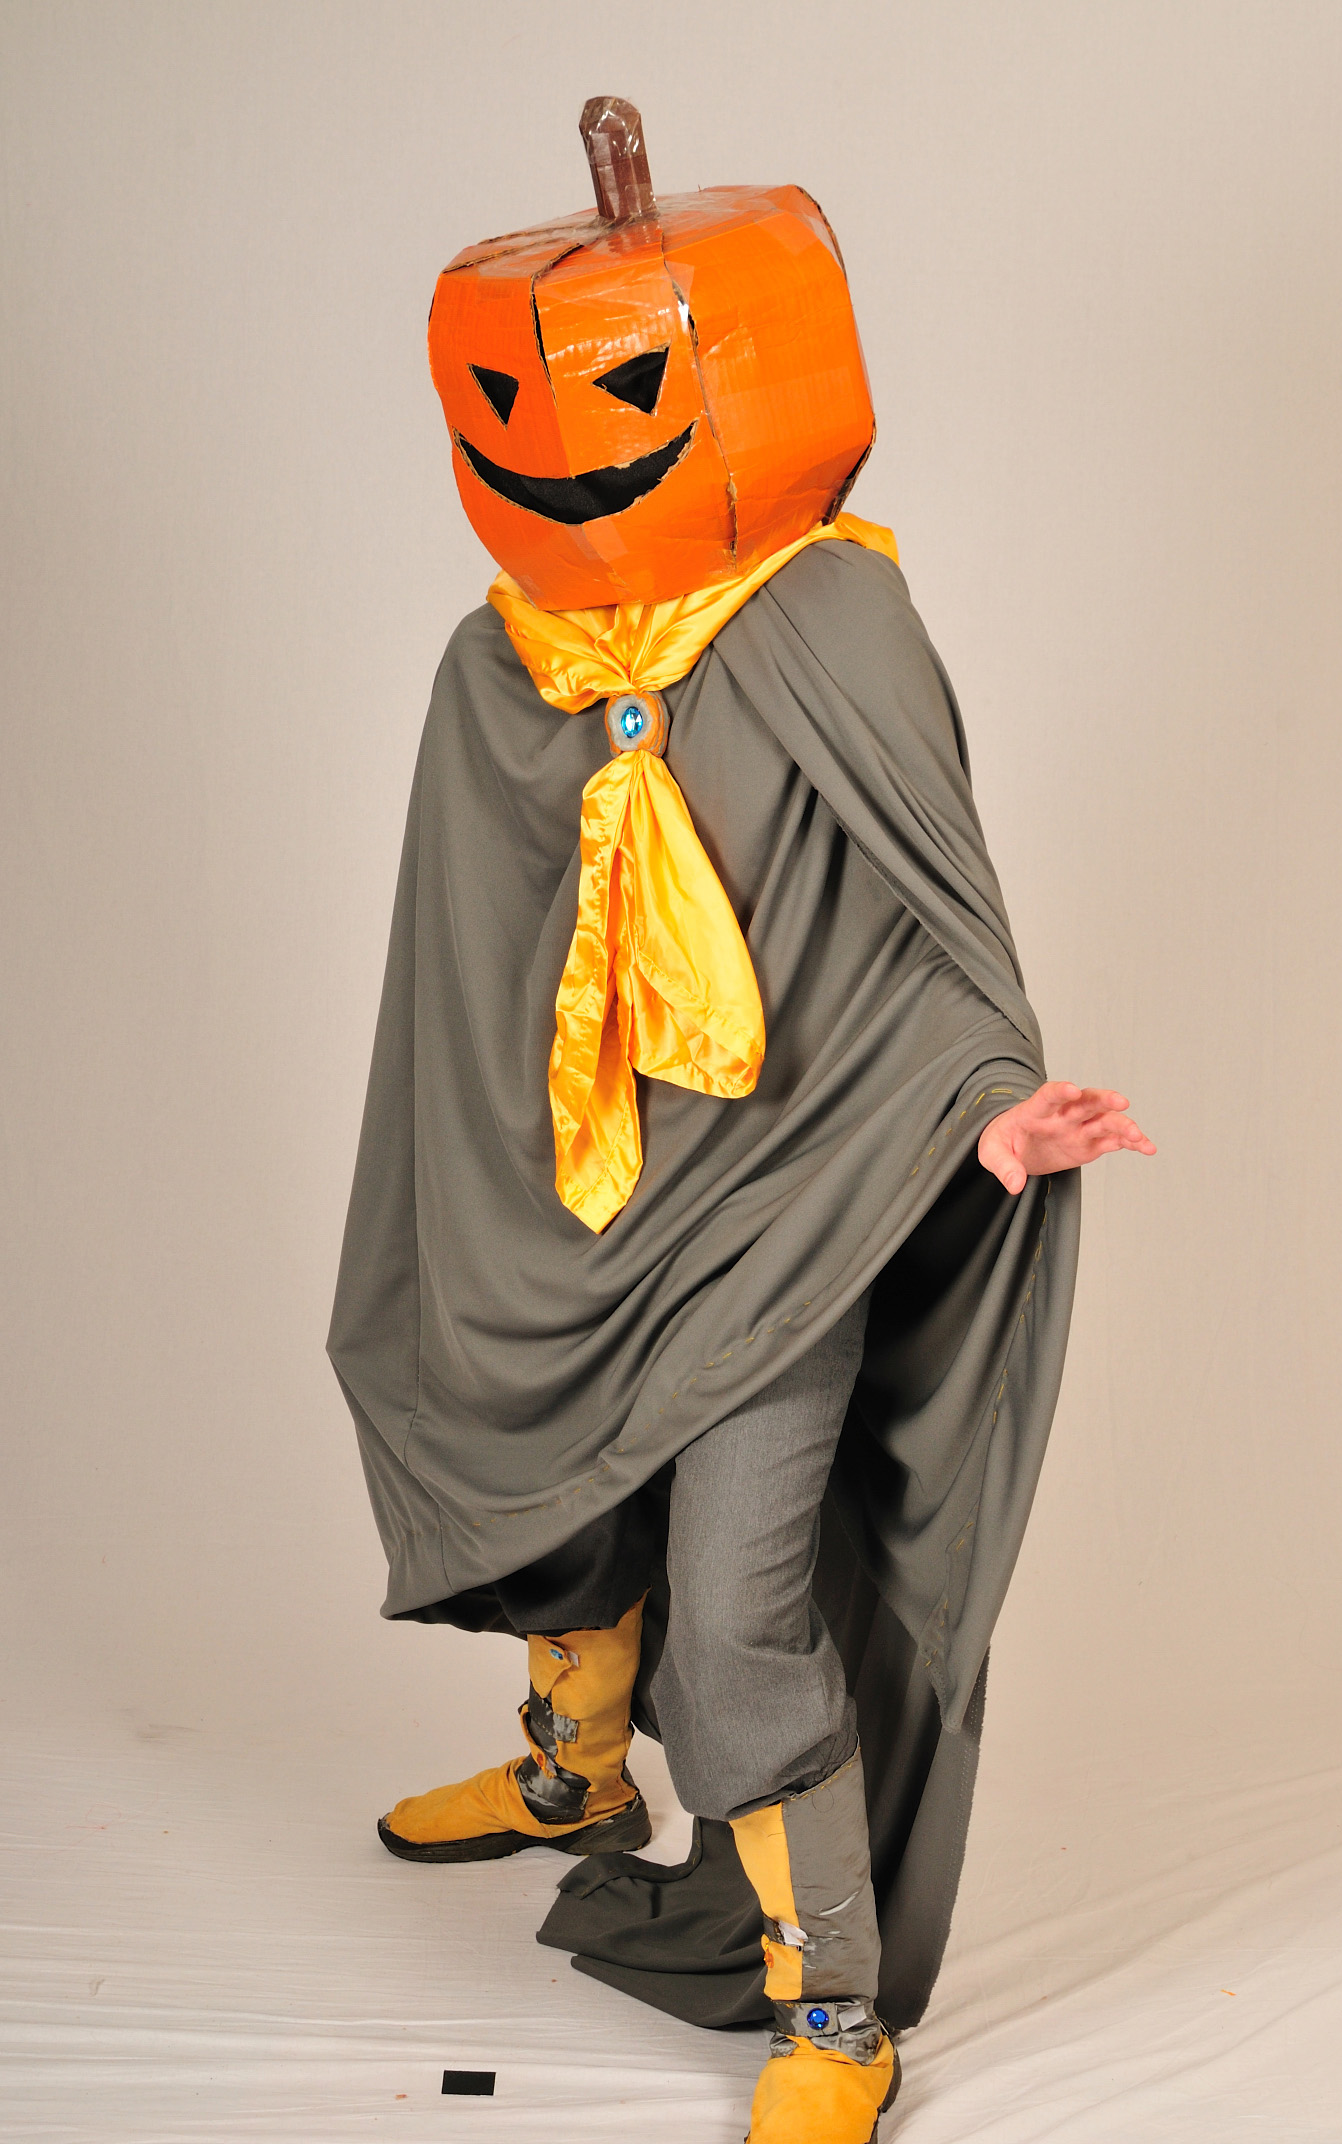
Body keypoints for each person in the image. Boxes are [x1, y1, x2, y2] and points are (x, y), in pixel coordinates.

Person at [329, 97, 1153, 2144]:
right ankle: (570, 1776)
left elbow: (933, 921)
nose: (560, 429)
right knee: (518, 1453)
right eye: (509, 397)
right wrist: (466, 1206)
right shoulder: (494, 665)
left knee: (740, 1612)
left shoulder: (834, 623)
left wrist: (989, 1111)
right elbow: (466, 976)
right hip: (574, 1196)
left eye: (623, 386)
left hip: (789, 1218)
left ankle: (836, 2016)